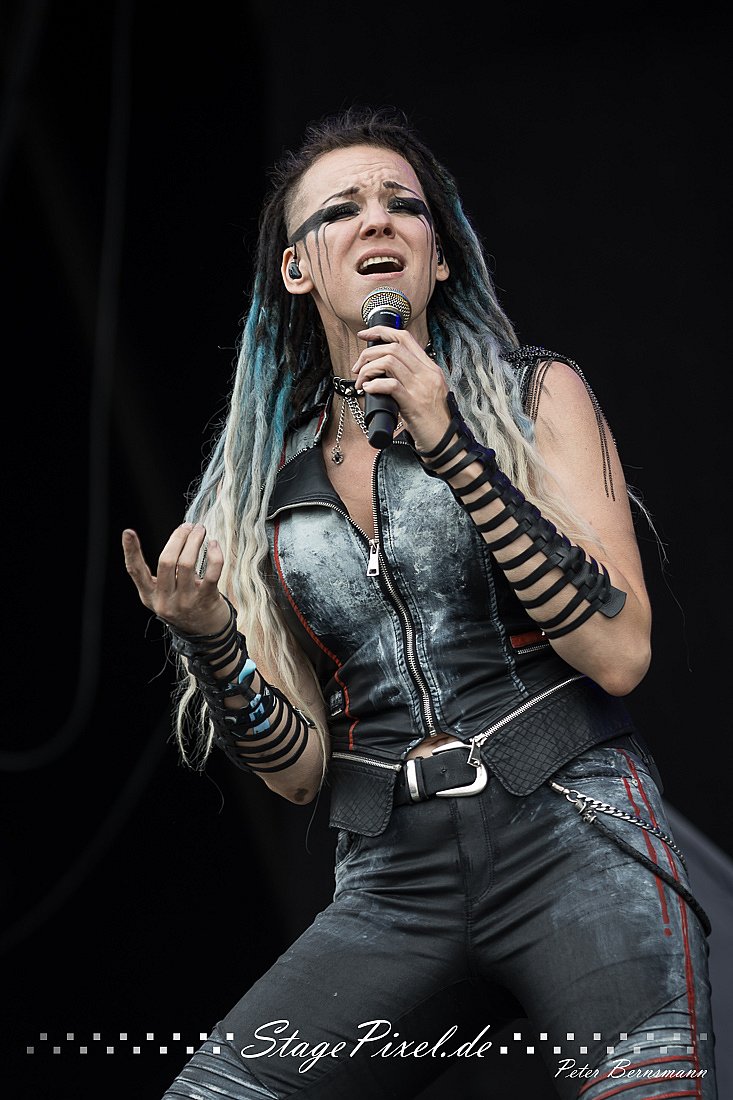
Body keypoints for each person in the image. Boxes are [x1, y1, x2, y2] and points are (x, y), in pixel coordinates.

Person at [122, 105, 717, 1099]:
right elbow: (300, 775)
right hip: (394, 877)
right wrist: (212, 639)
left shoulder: (533, 396)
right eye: (340, 209)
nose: (376, 220)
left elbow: (618, 653)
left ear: (438, 260)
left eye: (403, 205)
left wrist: (449, 442)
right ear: (296, 270)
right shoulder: (268, 486)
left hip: (576, 834)